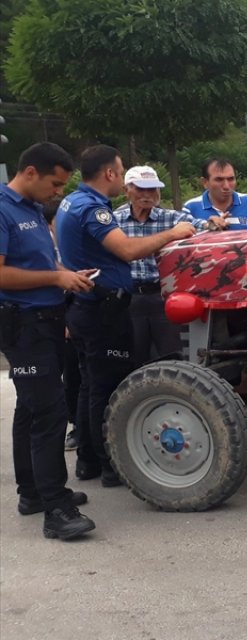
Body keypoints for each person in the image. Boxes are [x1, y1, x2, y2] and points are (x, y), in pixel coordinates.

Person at [58, 145, 195, 489]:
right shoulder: (93, 209)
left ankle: (89, 459)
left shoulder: (72, 202)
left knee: (92, 385)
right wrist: (172, 234)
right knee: (107, 388)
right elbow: (128, 250)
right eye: (121, 172)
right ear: (110, 174)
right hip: (102, 309)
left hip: (91, 306)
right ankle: (111, 464)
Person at [0, 142, 96, 539]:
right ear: (31, 173)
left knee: (31, 408)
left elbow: (40, 262)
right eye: (55, 184)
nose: (59, 193)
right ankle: (56, 510)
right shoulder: (2, 208)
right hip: (23, 325)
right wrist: (56, 279)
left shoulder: (32, 209)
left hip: (47, 320)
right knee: (50, 413)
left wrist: (66, 274)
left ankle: (34, 492)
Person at [114, 166, 196, 368]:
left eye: (152, 189)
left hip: (161, 295)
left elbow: (199, 225)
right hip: (128, 297)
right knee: (132, 356)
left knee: (173, 355)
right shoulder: (113, 222)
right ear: (126, 190)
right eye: (141, 189)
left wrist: (213, 223)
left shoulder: (172, 219)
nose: (147, 195)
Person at [42, 199, 82, 453]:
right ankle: (76, 426)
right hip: (60, 317)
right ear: (51, 223)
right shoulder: (46, 249)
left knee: (85, 374)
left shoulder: (74, 245)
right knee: (71, 377)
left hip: (80, 313)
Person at [183, 158, 247, 231]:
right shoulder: (191, 208)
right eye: (219, 180)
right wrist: (208, 227)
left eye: (231, 179)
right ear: (205, 182)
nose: (226, 186)